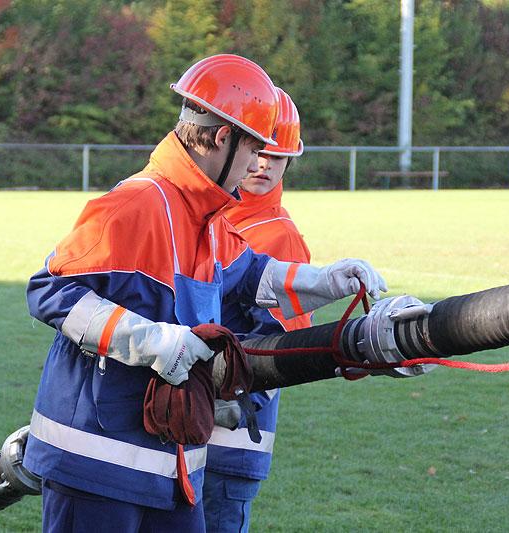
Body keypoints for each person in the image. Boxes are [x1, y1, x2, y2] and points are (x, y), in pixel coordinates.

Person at [23, 54, 388, 533]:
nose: (256, 165)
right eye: (253, 149)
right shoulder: (136, 203)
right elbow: (50, 289)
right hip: (98, 464)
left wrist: (324, 281)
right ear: (222, 138)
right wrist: (149, 340)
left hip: (173, 465)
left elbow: (250, 275)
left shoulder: (205, 216)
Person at [203, 88, 311, 533]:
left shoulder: (281, 237)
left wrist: (229, 396)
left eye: (279, 157)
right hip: (179, 425)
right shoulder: (209, 214)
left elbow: (283, 351)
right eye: (259, 150)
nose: (265, 164)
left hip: (230, 433)